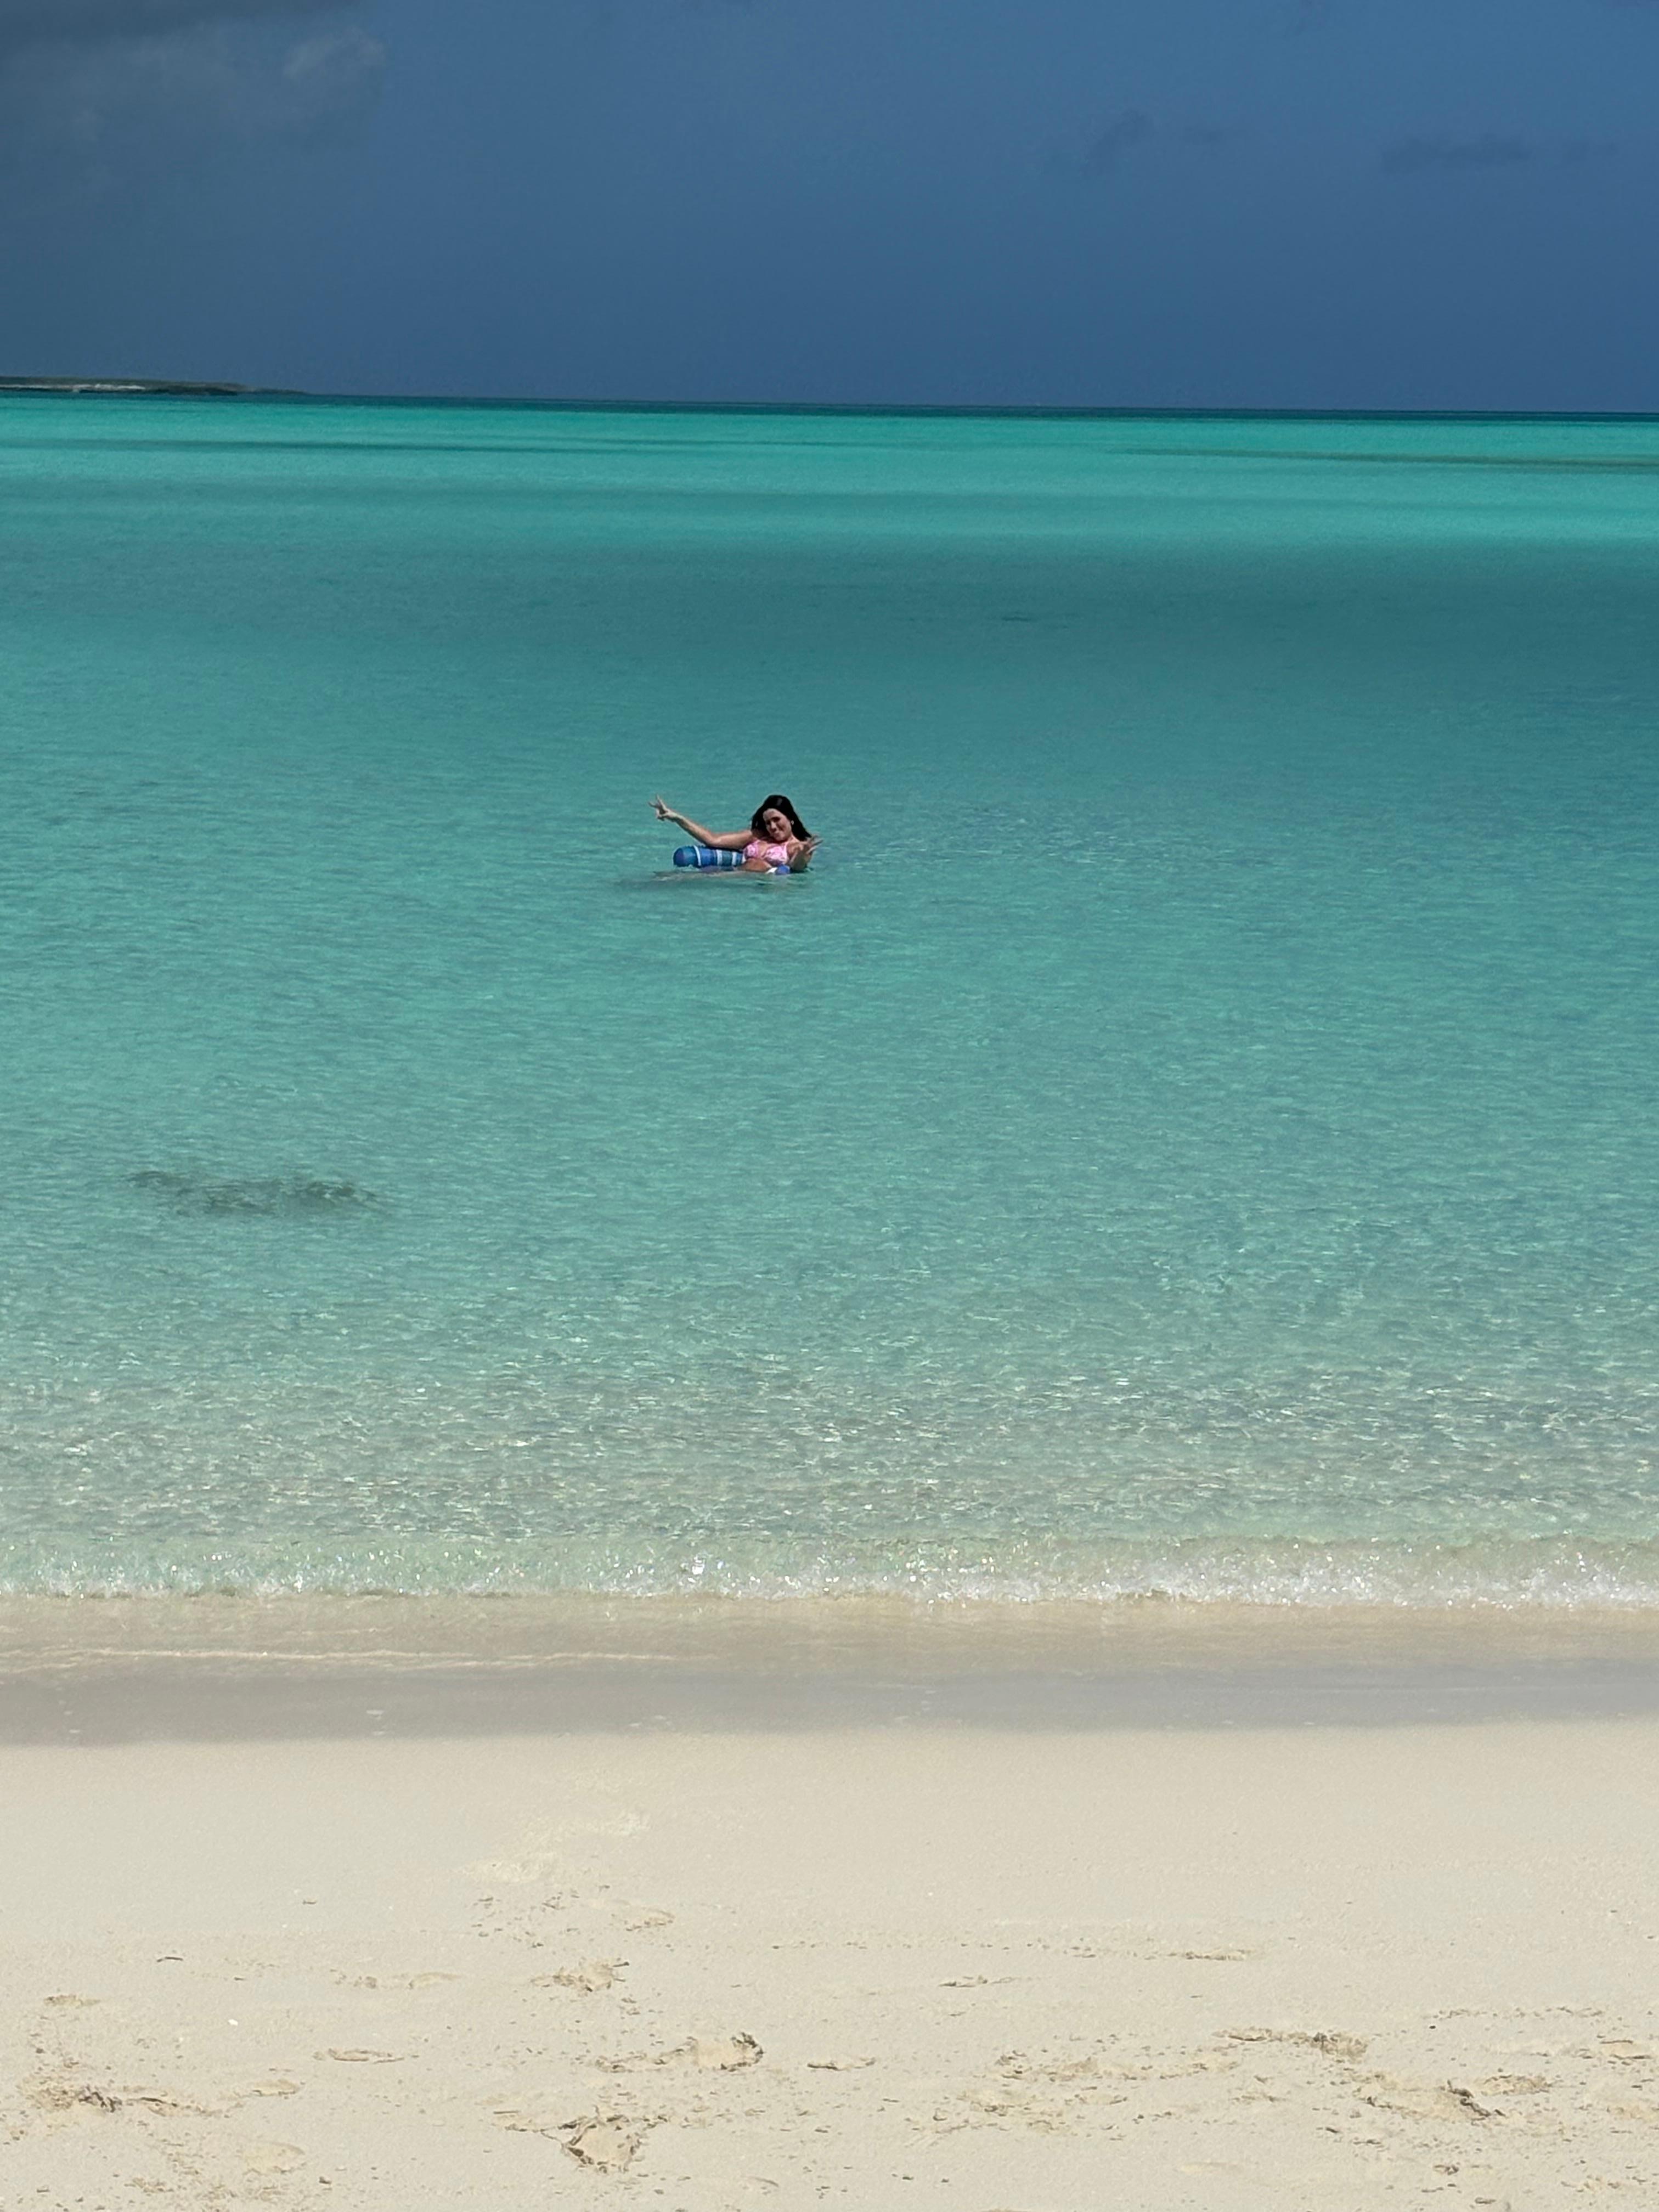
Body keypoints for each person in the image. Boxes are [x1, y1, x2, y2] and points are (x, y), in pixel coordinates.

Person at [652, 792, 817, 873]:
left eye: (777, 820)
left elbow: (797, 866)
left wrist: (802, 856)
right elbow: (714, 840)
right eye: (768, 823)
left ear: (790, 819)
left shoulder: (798, 847)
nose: (772, 827)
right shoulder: (758, 836)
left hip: (751, 887)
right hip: (728, 874)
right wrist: (677, 818)